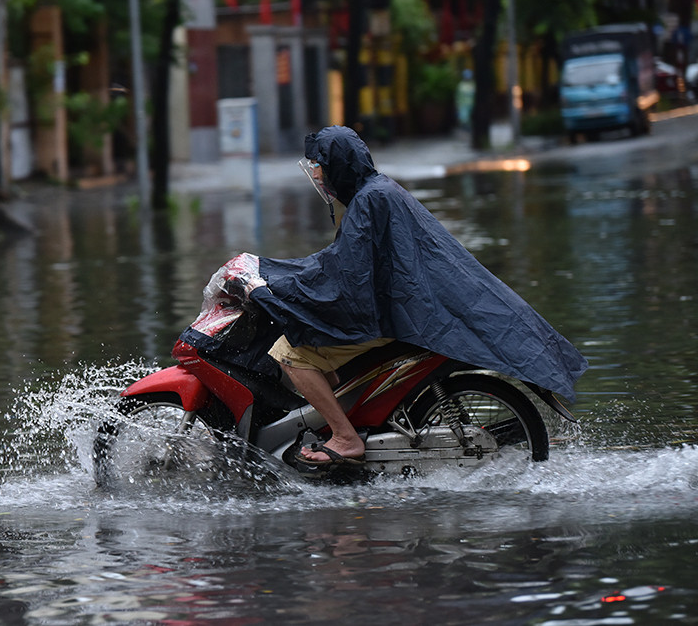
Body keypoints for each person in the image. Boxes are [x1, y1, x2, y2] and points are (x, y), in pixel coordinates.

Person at [247, 126, 587, 469]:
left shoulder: (369, 201)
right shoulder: (377, 191)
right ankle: (345, 418)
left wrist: (269, 285)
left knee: (289, 353)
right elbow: (341, 264)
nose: (317, 174)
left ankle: (345, 437)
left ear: (338, 164)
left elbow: (344, 276)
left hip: (393, 314)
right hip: (400, 306)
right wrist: (275, 275)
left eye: (319, 164)